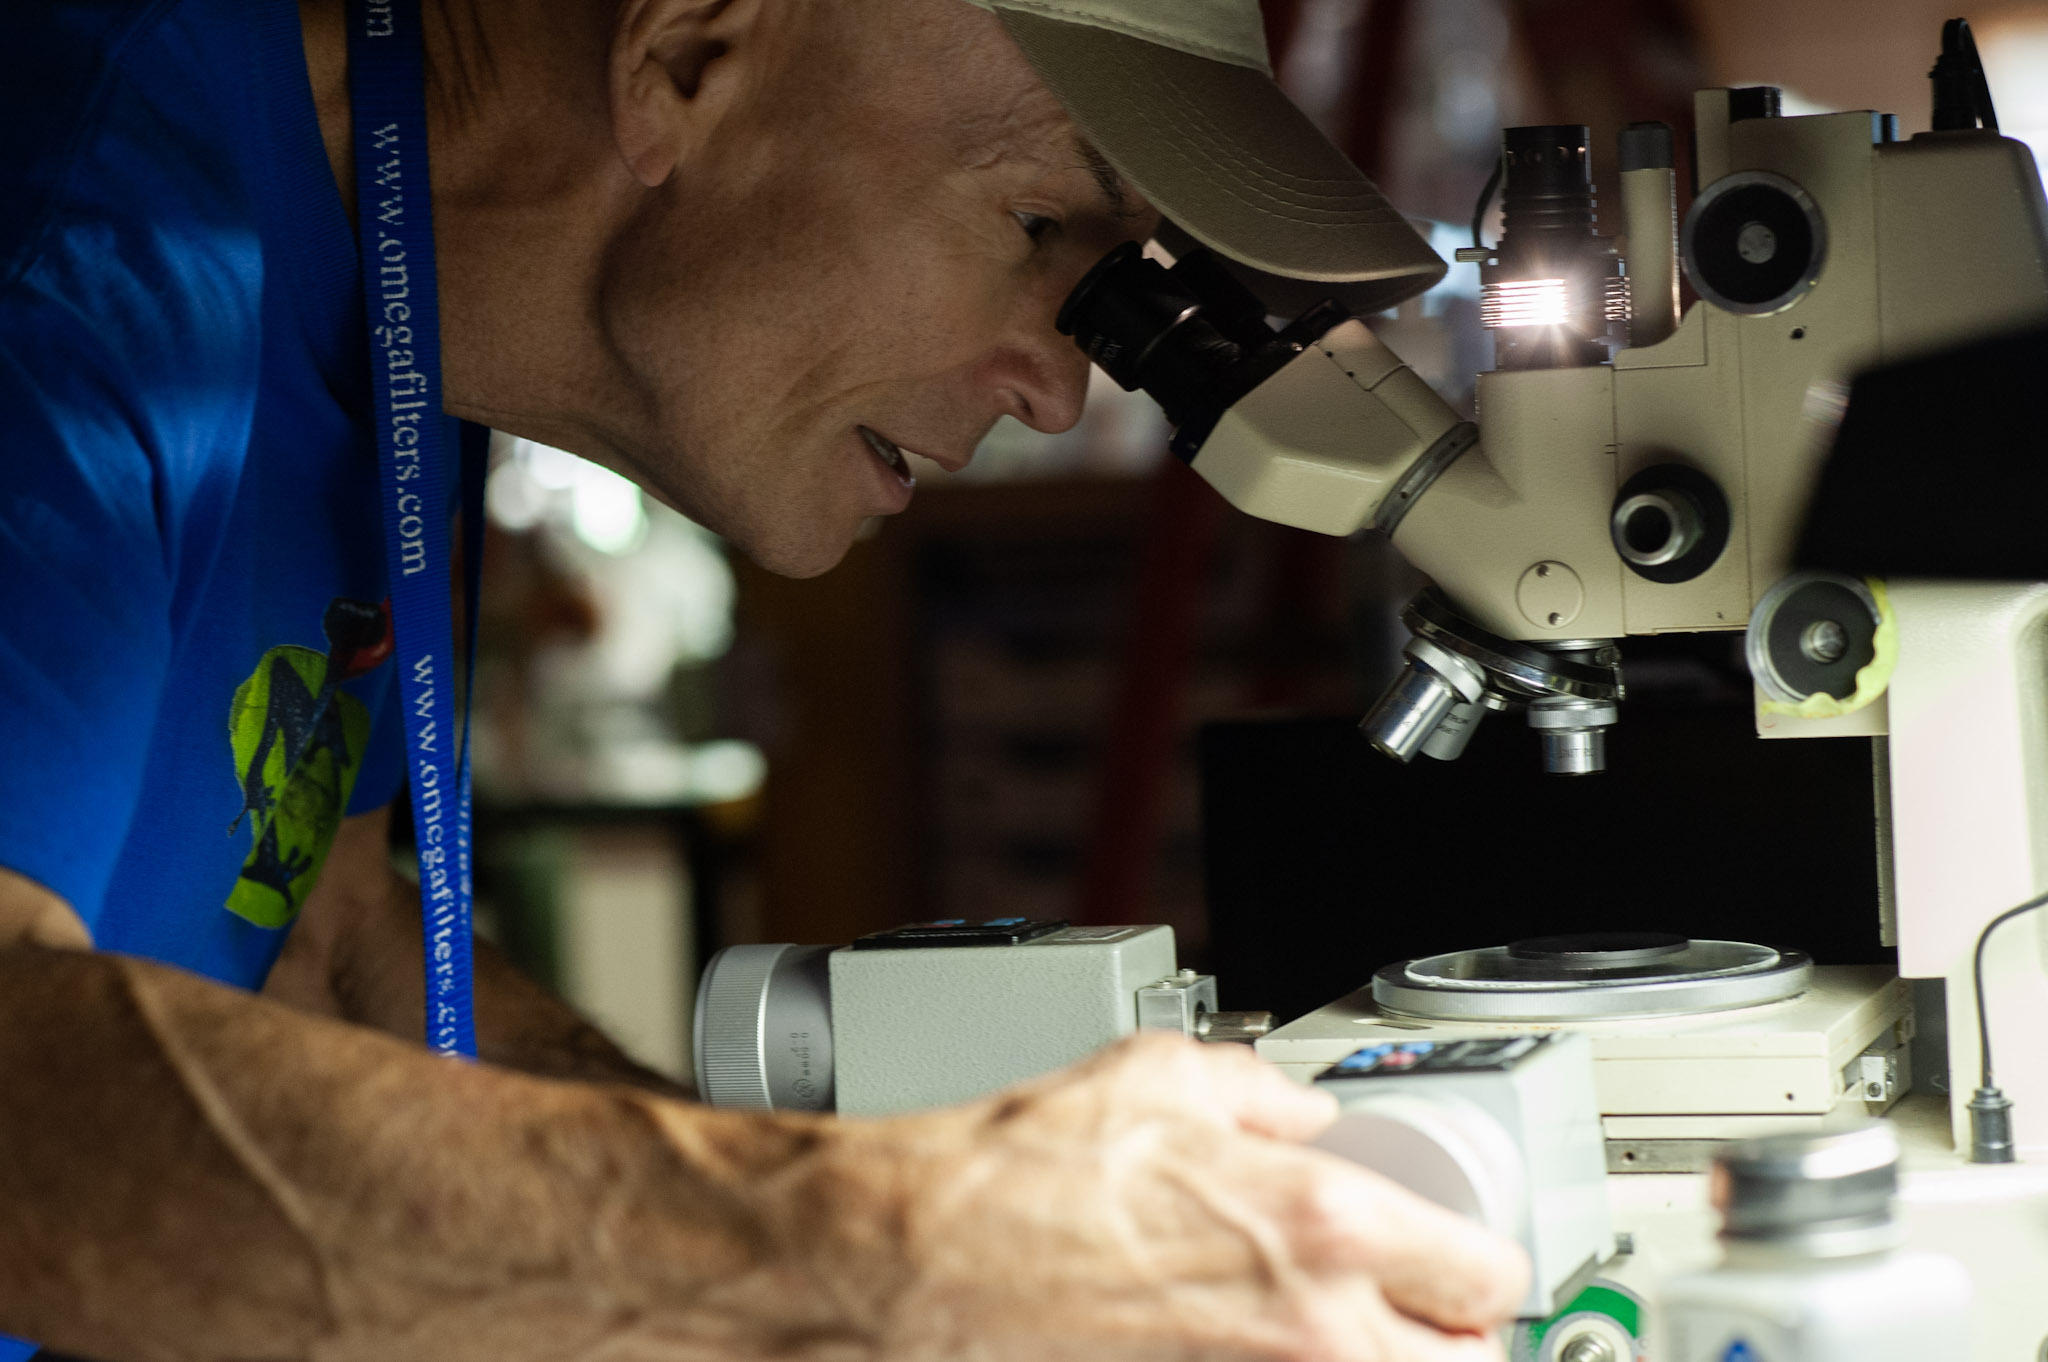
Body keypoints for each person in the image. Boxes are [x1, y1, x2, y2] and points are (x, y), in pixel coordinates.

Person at [0, 0, 1529, 1357]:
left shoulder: (389, 288)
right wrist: (892, 1248)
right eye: (1034, 224)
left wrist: (1003, 1266)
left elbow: (316, 939)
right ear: (685, 54)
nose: (1062, 391)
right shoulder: (74, 260)